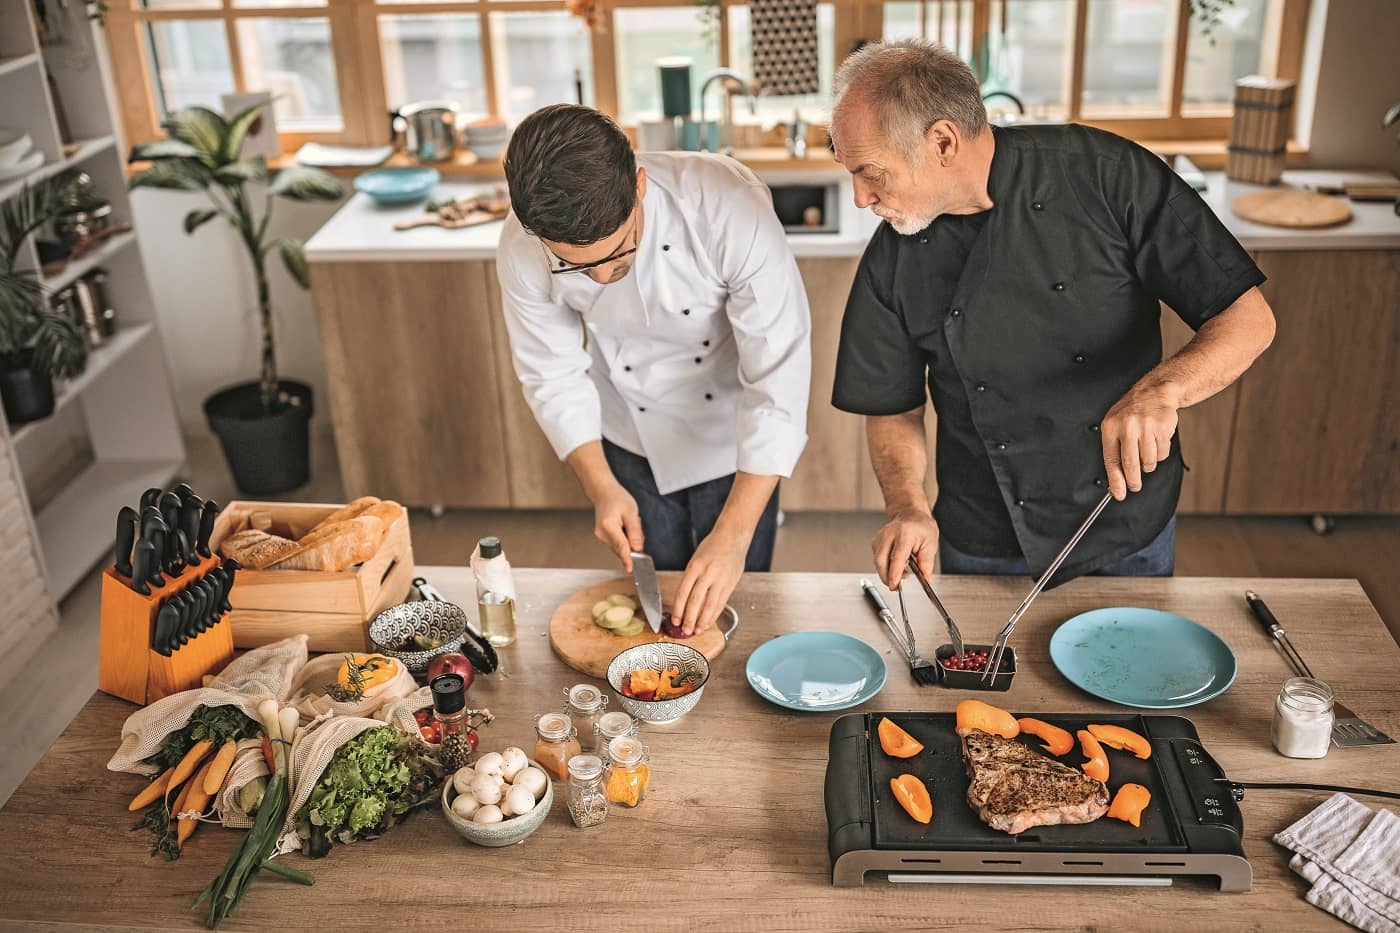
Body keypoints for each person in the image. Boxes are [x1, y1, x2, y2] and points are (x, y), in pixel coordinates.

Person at [828, 40, 1277, 590]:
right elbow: (892, 407)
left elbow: (1248, 317)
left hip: (1123, 516)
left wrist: (1160, 392)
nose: (858, 197)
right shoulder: (893, 255)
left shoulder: (1108, 178)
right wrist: (907, 507)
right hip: (982, 527)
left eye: (871, 172)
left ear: (942, 141)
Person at [497, 105, 811, 633]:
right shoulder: (522, 243)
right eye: (576, 264)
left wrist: (733, 536)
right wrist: (600, 486)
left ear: (639, 185)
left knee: (733, 608)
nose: (599, 278)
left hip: (730, 436)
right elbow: (551, 373)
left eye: (618, 253)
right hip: (626, 429)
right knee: (657, 612)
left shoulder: (726, 206)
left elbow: (778, 376)